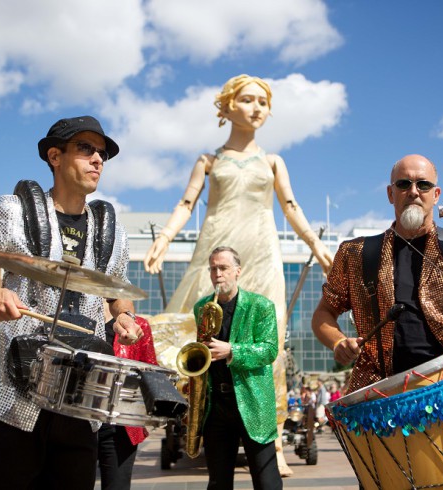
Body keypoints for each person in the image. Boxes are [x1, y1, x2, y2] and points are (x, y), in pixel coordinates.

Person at [144, 74, 333, 476]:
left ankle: (273, 437)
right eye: (247, 100)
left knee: (271, 344)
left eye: (263, 102)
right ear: (227, 107)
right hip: (215, 247)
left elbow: (291, 207)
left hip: (263, 254)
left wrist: (316, 245)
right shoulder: (209, 161)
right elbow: (185, 202)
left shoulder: (273, 161)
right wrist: (163, 237)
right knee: (200, 331)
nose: (257, 108)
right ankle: (200, 424)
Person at [0, 116, 143, 489]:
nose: (97, 159)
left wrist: (124, 316)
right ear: (55, 156)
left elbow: (117, 290)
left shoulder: (111, 231)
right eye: (85, 149)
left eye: (102, 153)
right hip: (13, 396)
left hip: (78, 398)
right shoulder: (13, 211)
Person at [312, 154, 443, 395]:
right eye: (403, 184)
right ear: (390, 194)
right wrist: (338, 342)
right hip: (381, 394)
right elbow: (323, 314)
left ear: (436, 194)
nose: (413, 191)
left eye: (423, 184)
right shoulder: (355, 253)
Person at [197, 246, 282, 490]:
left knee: (267, 482)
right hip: (216, 405)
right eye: (213, 269)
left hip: (253, 401)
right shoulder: (201, 307)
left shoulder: (261, 305)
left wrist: (232, 350)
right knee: (218, 482)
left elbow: (268, 350)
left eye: (223, 268)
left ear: (237, 271)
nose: (217, 274)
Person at [98, 314, 158, 490]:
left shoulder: (139, 325)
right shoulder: (80, 319)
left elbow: (150, 368)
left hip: (121, 424)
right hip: (80, 420)